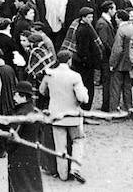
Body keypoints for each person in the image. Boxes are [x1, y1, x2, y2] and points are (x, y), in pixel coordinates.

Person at [39, 50, 88, 183]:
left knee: (60, 146)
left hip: (56, 115)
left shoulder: (50, 74)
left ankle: (63, 175)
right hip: (73, 116)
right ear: (69, 60)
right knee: (78, 140)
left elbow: (42, 90)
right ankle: (75, 168)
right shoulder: (75, 76)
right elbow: (82, 98)